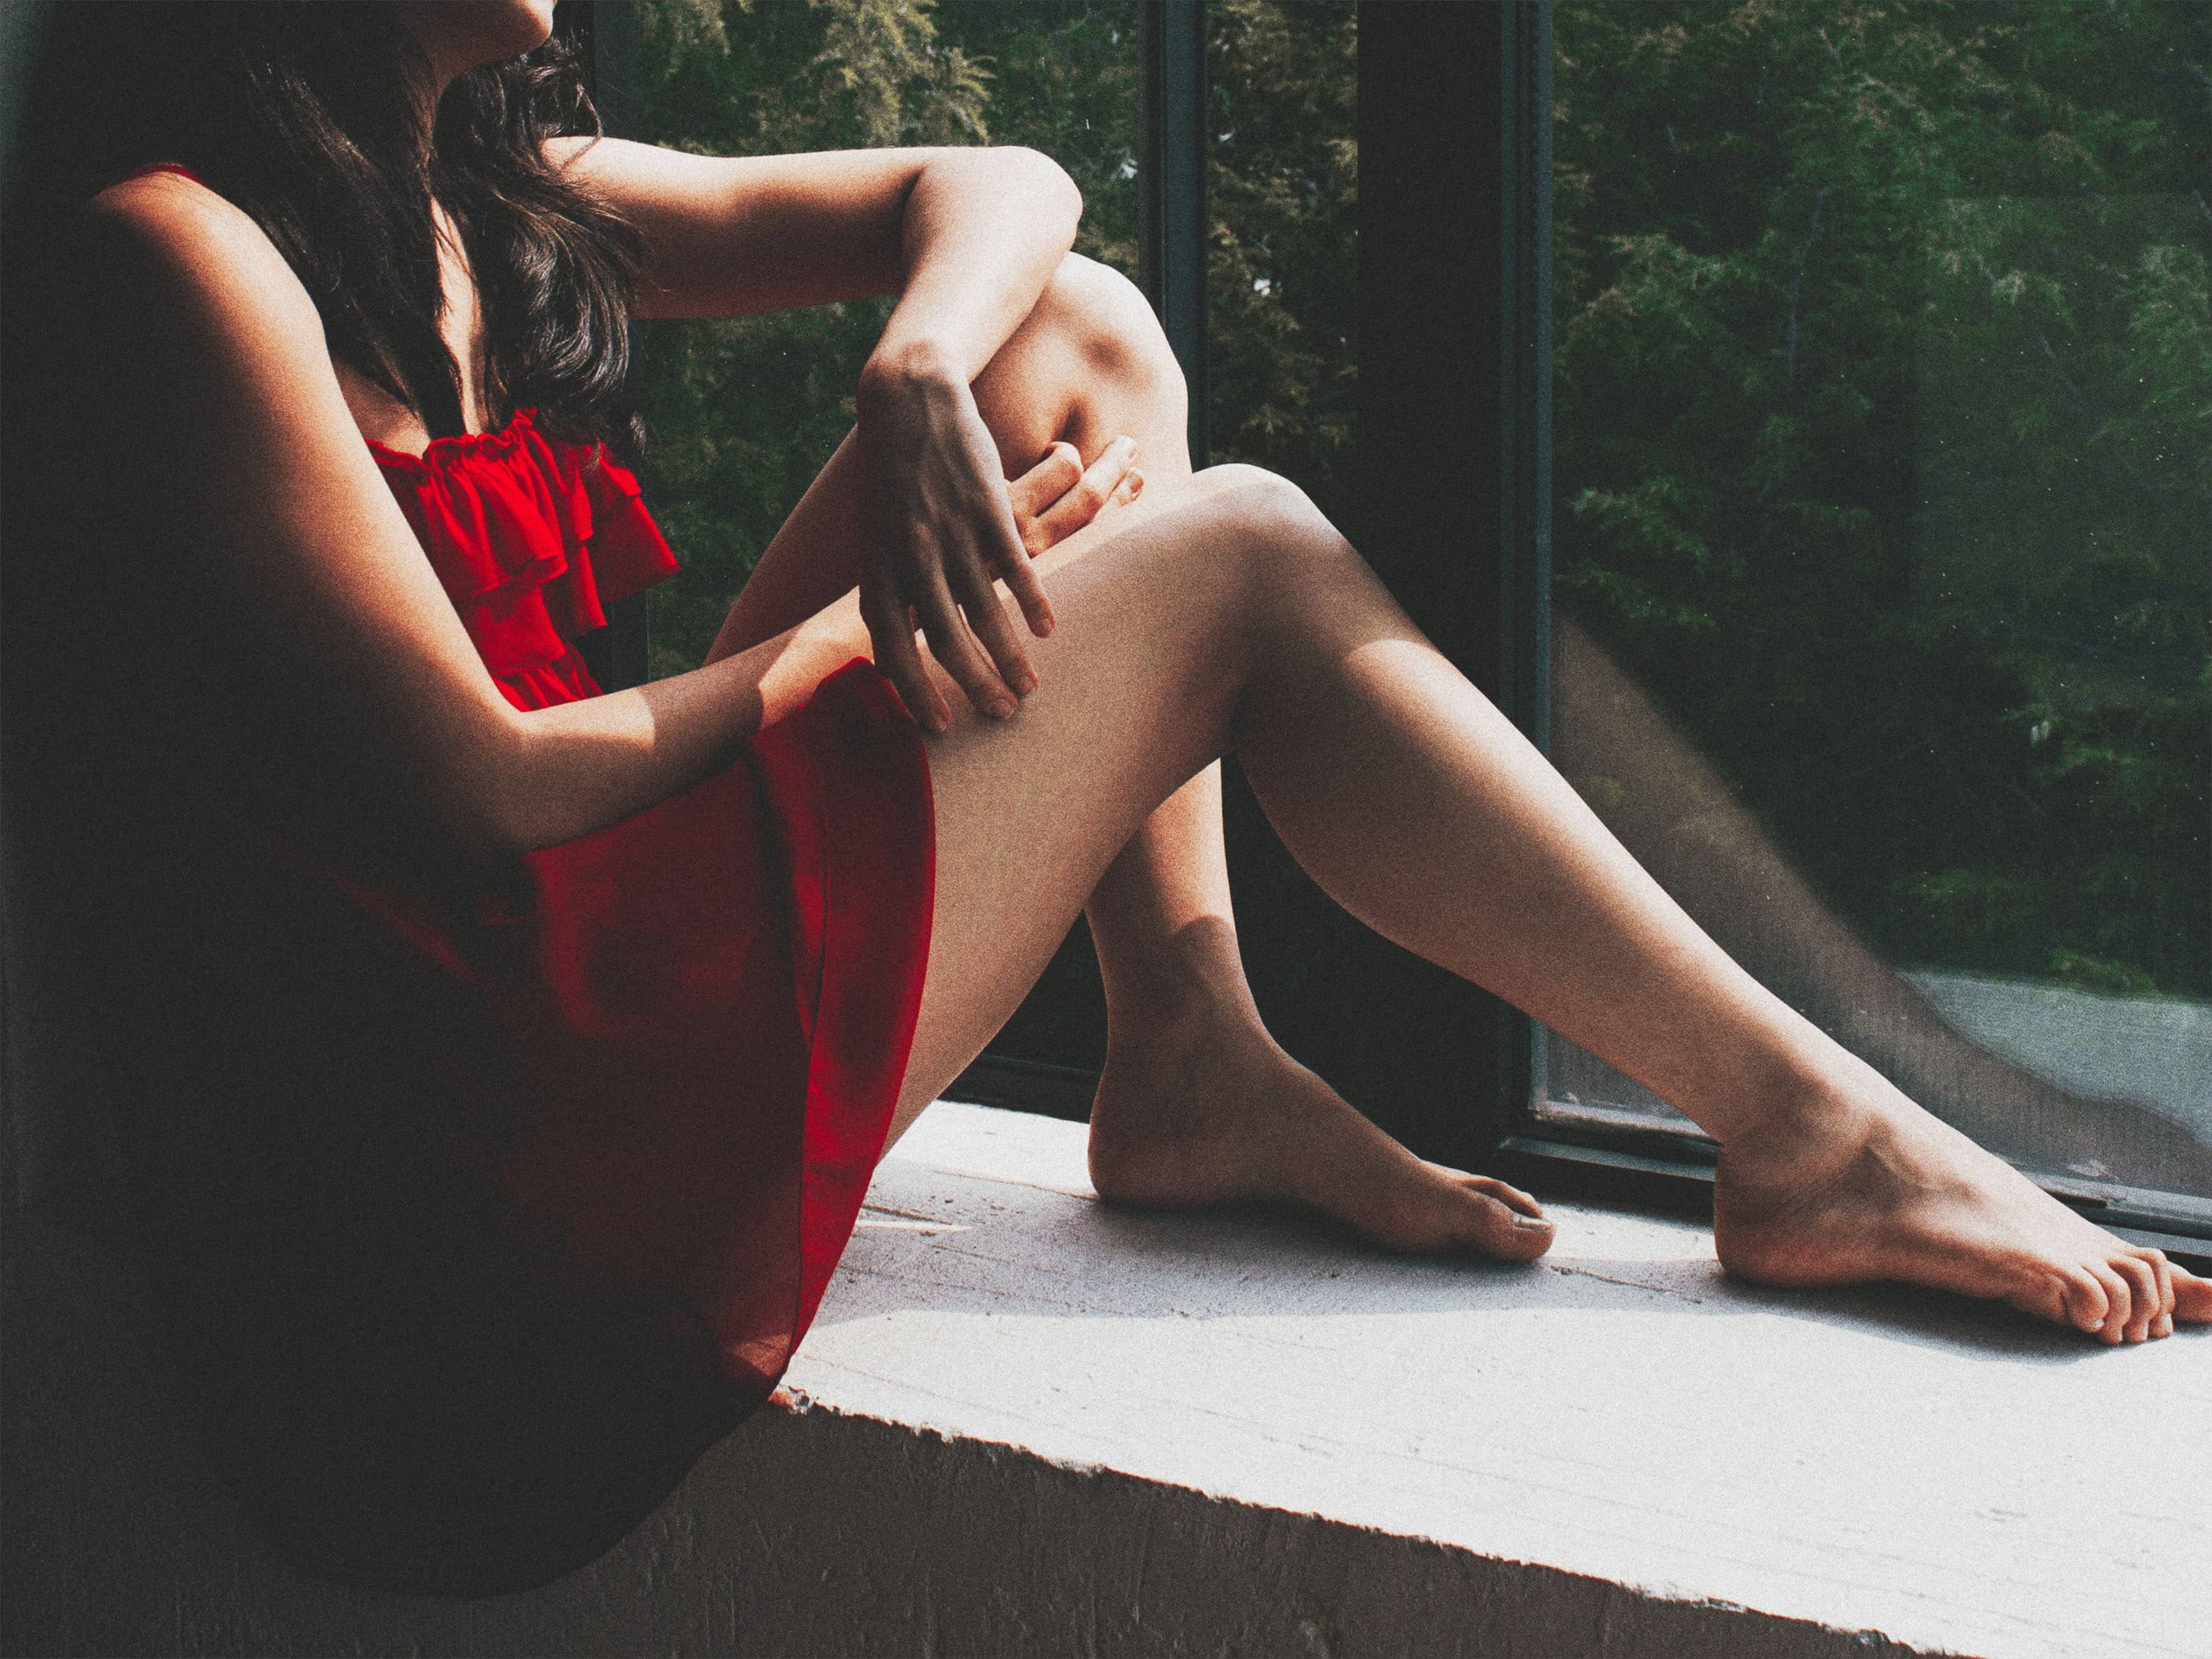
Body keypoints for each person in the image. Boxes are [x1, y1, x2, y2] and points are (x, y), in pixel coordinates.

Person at [2, 0, 2201, 1598]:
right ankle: (1804, 1129)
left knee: (1078, 332)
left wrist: (913, 354)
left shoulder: (497, 197)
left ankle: (1189, 1048)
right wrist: (842, 643)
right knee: (1231, 546)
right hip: (470, 1168)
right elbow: (486, 786)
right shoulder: (180, 253)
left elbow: (1005, 190)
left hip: (574, 962)